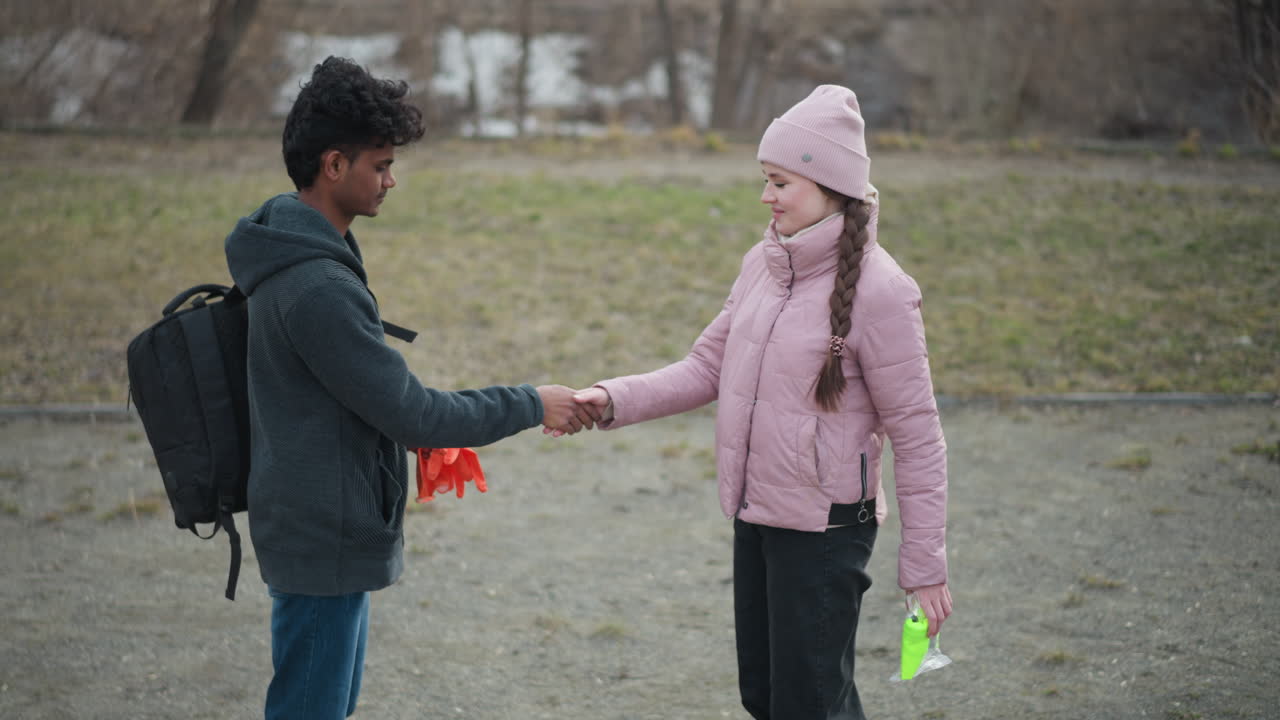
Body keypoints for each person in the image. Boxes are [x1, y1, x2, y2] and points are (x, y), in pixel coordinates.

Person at [224, 56, 593, 720]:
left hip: (317, 525)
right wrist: (535, 401)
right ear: (334, 166)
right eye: (381, 165)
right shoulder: (317, 287)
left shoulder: (298, 250)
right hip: (322, 537)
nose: (391, 180)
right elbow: (415, 414)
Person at [569, 85, 951, 719]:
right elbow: (705, 367)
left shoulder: (884, 292)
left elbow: (917, 436)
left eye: (779, 182)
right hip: (758, 517)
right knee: (766, 697)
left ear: (829, 186)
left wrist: (925, 567)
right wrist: (609, 398)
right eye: (765, 180)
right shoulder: (764, 263)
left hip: (826, 534)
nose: (765, 196)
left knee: (810, 706)